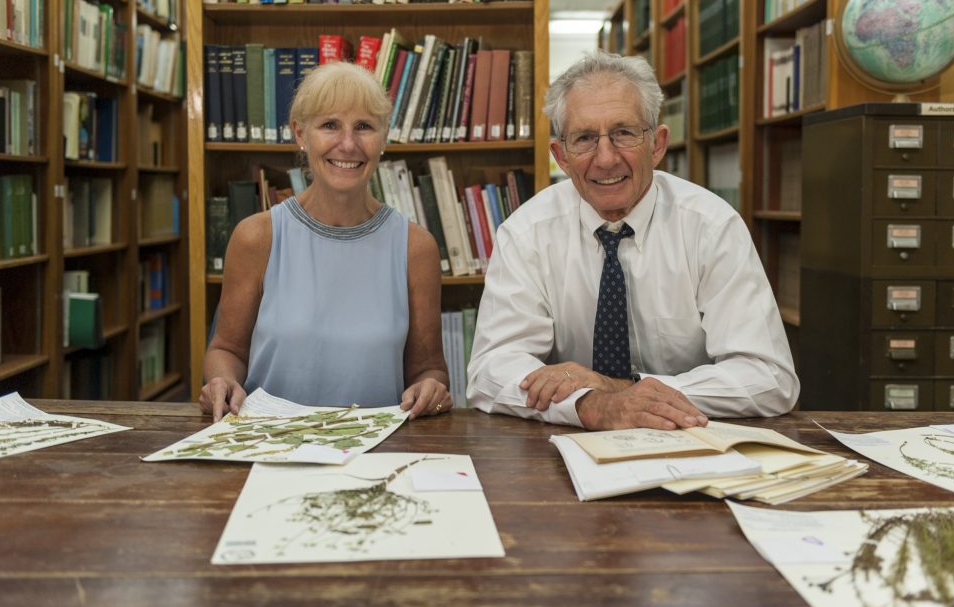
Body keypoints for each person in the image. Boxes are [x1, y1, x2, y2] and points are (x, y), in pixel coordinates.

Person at [466, 51, 798, 431]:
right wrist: (590, 405)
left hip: (692, 440)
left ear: (657, 145)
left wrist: (622, 391)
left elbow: (770, 378)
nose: (605, 159)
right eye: (585, 138)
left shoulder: (712, 226)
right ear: (561, 156)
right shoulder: (527, 233)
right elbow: (490, 372)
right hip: (567, 450)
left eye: (623, 133)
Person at [199, 61, 451, 421]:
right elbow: (226, 349)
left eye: (364, 127)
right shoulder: (256, 237)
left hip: (374, 454)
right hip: (268, 447)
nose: (347, 144)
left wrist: (432, 390)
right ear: (301, 134)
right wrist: (222, 380)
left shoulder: (416, 248)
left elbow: (429, 370)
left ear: (384, 138)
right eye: (330, 125)